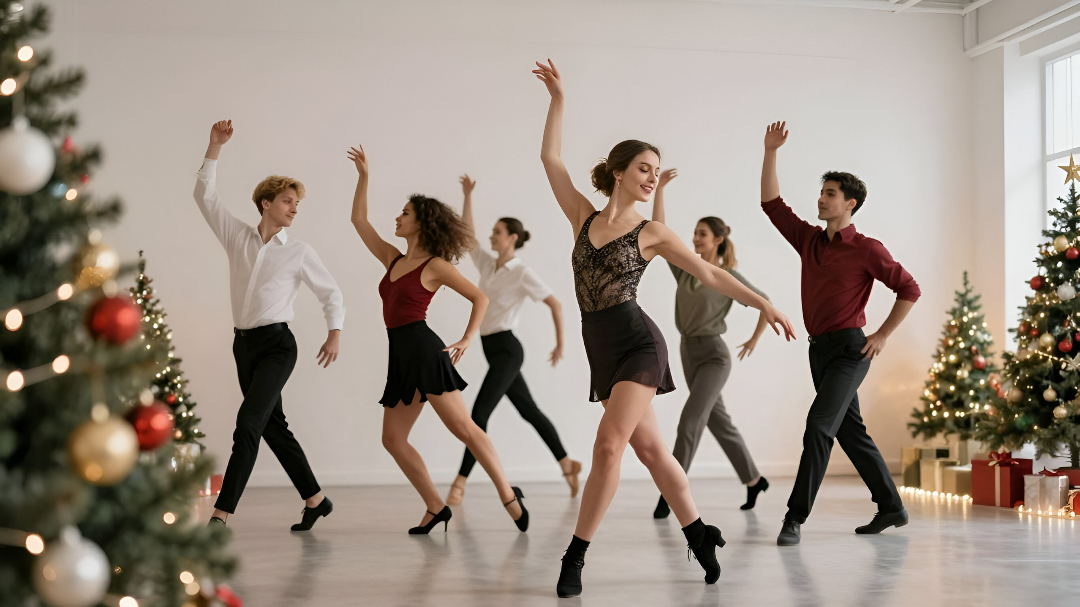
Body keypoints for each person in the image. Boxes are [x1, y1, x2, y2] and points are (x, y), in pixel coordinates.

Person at [533, 60, 796, 598]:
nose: (653, 177)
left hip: (638, 344)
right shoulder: (582, 216)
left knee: (609, 446)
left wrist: (762, 302)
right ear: (619, 171)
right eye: (645, 168)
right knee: (653, 453)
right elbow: (550, 158)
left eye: (657, 171)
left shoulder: (651, 231)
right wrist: (559, 100)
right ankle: (700, 535)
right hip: (599, 347)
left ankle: (575, 556)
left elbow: (710, 272)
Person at [345, 144, 528, 534]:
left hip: (427, 353)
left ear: (421, 223)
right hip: (401, 356)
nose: (398, 217)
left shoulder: (435, 266)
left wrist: (465, 337)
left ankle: (507, 494)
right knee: (393, 439)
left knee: (465, 429)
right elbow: (358, 220)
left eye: (405, 213)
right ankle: (434, 506)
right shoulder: (394, 259)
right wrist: (364, 177)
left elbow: (480, 297)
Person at [759, 121, 919, 547]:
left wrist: (882, 334)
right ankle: (891, 507)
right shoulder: (809, 240)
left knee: (818, 427)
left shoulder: (867, 248)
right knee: (850, 432)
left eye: (830, 193)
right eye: (822, 192)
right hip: (819, 352)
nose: (821, 198)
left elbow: (909, 288)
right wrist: (771, 151)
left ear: (850, 203)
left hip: (852, 350)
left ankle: (794, 518)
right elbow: (771, 203)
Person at [197, 120, 342, 532]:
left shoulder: (298, 251)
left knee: (248, 424)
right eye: (287, 201)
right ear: (265, 203)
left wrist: (334, 331)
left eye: (297, 203)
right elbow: (204, 197)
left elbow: (331, 293)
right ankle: (316, 499)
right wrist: (214, 147)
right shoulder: (237, 238)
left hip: (279, 347)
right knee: (273, 426)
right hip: (243, 346)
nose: (294, 208)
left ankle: (221, 514)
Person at [446, 175, 582, 506]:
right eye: (492, 232)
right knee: (530, 411)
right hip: (493, 350)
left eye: (497, 232)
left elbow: (555, 303)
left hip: (508, 349)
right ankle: (567, 463)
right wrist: (467, 196)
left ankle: (459, 483)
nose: (492, 236)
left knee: (478, 413)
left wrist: (560, 343)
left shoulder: (522, 272)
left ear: (512, 238)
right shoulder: (489, 266)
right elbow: (466, 237)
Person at [649, 169, 771, 517]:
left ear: (717, 239)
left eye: (701, 234)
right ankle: (753, 479)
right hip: (688, 353)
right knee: (719, 422)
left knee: (690, 421)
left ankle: (670, 492)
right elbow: (659, 235)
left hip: (715, 356)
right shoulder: (687, 269)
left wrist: (755, 338)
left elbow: (764, 302)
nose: (695, 239)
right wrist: (660, 191)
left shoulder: (728, 277)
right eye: (694, 234)